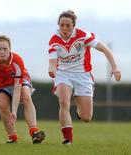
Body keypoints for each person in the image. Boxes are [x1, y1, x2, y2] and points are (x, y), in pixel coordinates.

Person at [48, 10, 121, 145]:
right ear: (58, 25)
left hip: (83, 75)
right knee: (63, 101)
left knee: (86, 117)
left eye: (68, 26)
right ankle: (67, 139)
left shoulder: (84, 36)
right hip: (63, 74)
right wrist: (51, 70)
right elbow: (52, 63)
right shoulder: (54, 40)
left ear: (74, 26)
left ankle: (79, 111)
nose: (64, 28)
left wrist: (115, 67)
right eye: (61, 25)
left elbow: (105, 49)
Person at [0, 35, 45, 144]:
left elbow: (17, 90)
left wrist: (14, 112)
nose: (2, 52)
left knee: (25, 95)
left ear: (10, 49)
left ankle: (34, 132)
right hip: (2, 86)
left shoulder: (16, 61)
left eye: (5, 49)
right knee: (2, 104)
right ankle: (12, 137)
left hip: (19, 83)